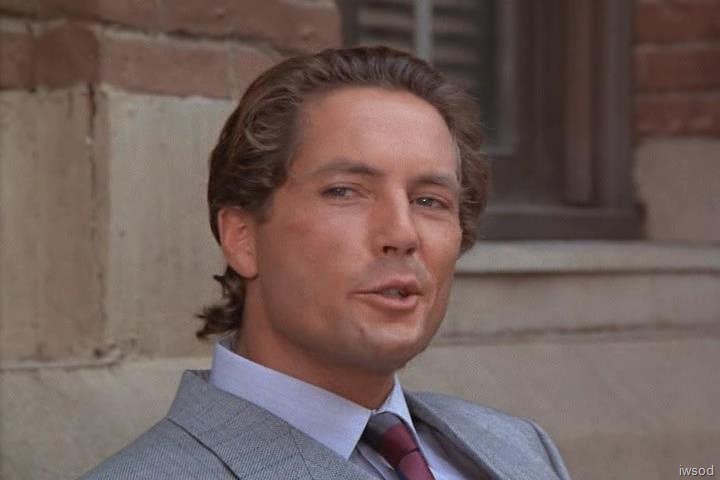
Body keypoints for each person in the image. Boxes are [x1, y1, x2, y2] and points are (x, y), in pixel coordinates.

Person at [79, 46, 571, 480]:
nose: (402, 233)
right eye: (345, 192)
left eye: (429, 200)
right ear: (242, 238)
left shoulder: (520, 445)